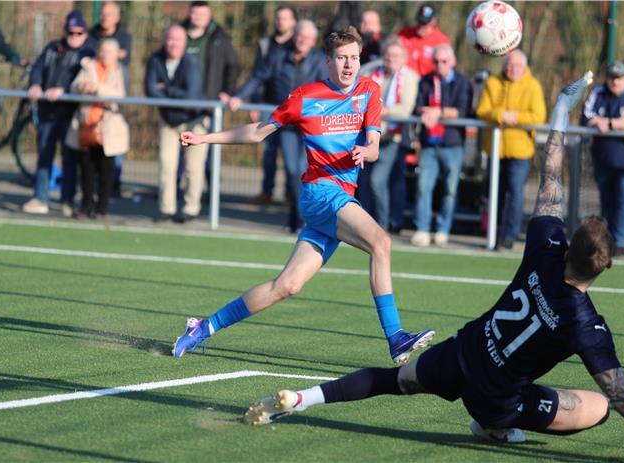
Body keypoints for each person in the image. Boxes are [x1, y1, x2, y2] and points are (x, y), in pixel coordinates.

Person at [241, 73, 624, 463]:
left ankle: (303, 398)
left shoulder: (545, 245)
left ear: (568, 244)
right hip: (496, 400)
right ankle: (494, 428)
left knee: (393, 380)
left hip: (463, 352)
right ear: (607, 266)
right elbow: (620, 395)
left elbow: (552, 172)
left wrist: (561, 105)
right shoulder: (586, 323)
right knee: (597, 406)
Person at [174, 26, 435, 365]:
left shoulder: (370, 90)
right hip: (320, 192)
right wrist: (205, 138)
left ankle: (203, 327)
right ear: (327, 61)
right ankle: (396, 337)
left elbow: (373, 144)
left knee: (286, 286)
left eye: (355, 58)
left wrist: (365, 152)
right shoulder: (304, 97)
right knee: (380, 243)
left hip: (339, 196)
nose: (349, 65)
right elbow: (257, 132)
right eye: (341, 58)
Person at [229, 20, 327, 233]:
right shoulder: (278, 56)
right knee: (293, 171)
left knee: (309, 172)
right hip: (288, 124)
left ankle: (306, 219)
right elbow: (258, 77)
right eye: (301, 36)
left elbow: (328, 90)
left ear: (313, 41)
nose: (303, 41)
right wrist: (239, 96)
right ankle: (296, 216)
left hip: (312, 126)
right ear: (295, 36)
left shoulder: (320, 61)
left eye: (308, 38)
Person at [22, 11, 95, 216]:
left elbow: (83, 79)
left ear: (84, 33)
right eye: (71, 32)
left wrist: (63, 90)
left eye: (78, 32)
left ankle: (67, 200)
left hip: (70, 114)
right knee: (44, 156)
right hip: (48, 112)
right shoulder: (53, 47)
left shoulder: (88, 53)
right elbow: (37, 68)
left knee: (69, 160)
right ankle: (40, 197)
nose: (74, 36)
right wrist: (35, 84)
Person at [476, 50, 546, 250]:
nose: (512, 69)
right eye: (509, 65)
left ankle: (510, 234)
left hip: (520, 150)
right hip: (495, 149)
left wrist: (515, 117)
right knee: (494, 193)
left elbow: (538, 116)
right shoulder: (492, 83)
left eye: (516, 66)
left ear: (524, 68)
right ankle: (493, 232)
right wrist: (500, 115)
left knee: (515, 192)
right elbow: (482, 110)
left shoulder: (533, 86)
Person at [181, 1, 240, 223]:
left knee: (207, 157)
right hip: (181, 107)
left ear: (209, 15)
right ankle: (183, 200)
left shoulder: (220, 38)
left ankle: (211, 199)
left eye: (202, 13)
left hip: (207, 108)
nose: (197, 16)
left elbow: (233, 66)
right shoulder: (180, 33)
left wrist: (228, 91)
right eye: (194, 12)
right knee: (180, 161)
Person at [581, 61, 624, 255]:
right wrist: (599, 122)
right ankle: (606, 240)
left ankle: (620, 242)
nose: (614, 81)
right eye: (611, 77)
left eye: (619, 78)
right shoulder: (598, 92)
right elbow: (586, 116)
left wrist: (609, 123)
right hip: (603, 158)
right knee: (607, 200)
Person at [410, 44, 472, 248]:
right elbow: (417, 106)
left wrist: (439, 112)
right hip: (429, 144)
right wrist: (425, 111)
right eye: (436, 61)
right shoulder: (426, 80)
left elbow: (463, 111)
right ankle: (422, 229)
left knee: (450, 190)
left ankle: (443, 230)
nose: (439, 65)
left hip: (452, 144)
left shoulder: (462, 82)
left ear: (452, 62)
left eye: (444, 61)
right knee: (423, 187)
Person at [145, 24, 207, 223]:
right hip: (169, 121)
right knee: (166, 164)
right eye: (170, 39)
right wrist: (171, 93)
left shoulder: (191, 63)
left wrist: (167, 89)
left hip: (194, 121)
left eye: (178, 40)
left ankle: (191, 208)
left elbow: (191, 95)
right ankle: (166, 208)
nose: (173, 44)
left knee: (193, 167)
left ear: (185, 43)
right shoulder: (155, 60)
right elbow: (150, 89)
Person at [64, 38, 128, 219]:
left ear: (117, 54)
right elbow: (74, 87)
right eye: (103, 50)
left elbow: (121, 95)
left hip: (109, 127)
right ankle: (86, 205)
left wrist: (99, 88)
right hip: (86, 125)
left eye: (110, 51)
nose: (106, 54)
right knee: (86, 168)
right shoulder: (88, 66)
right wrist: (83, 86)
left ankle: (102, 207)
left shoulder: (120, 71)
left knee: (106, 170)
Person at [360, 39, 419, 232]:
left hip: (391, 138)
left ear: (403, 59)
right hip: (368, 136)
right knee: (365, 183)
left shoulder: (410, 78)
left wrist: (379, 110)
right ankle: (364, 224)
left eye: (395, 56)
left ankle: (382, 225)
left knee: (378, 181)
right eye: (387, 56)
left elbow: (405, 109)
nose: (390, 59)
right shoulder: (371, 72)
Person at [248, 5, 297, 207]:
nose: (280, 22)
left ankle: (289, 193)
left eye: (285, 18)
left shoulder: (298, 45)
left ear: (293, 22)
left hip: (292, 109)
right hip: (268, 106)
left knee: (290, 154)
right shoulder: (265, 44)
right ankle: (266, 191)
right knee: (269, 152)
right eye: (278, 18)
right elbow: (257, 75)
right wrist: (254, 103)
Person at [88, 0, 132, 198]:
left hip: (112, 106)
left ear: (117, 16)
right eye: (103, 14)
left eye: (109, 14)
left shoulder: (125, 37)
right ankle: (93, 188)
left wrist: (100, 86)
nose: (105, 18)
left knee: (114, 147)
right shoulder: (91, 34)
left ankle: (114, 184)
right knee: (91, 149)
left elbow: (121, 62)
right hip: (93, 108)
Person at [397, 2, 451, 78]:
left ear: (434, 21)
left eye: (425, 23)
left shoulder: (442, 41)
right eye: (420, 22)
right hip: (403, 81)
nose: (421, 26)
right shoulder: (403, 34)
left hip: (427, 84)